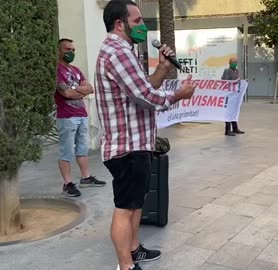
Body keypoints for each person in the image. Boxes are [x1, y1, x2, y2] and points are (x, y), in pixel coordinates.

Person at [95, 1, 196, 270]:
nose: (143, 26)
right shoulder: (118, 52)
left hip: (136, 143)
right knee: (125, 208)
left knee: (136, 205)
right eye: (137, 21)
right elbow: (146, 96)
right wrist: (178, 96)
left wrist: (163, 68)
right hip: (126, 147)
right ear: (120, 24)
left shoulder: (124, 51)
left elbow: (143, 86)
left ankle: (134, 248)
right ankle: (126, 266)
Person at [55, 38, 106, 197]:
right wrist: (78, 90)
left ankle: (86, 177)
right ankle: (68, 183)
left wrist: (75, 88)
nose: (71, 52)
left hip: (82, 115)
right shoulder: (56, 70)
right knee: (66, 151)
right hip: (66, 117)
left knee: (83, 149)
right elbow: (66, 93)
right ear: (59, 50)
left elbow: (90, 88)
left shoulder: (76, 70)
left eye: (73, 50)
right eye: (67, 49)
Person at [222, 57, 245, 136]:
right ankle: (227, 130)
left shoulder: (237, 71)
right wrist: (235, 81)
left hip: (235, 95)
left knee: (234, 111)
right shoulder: (227, 71)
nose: (235, 63)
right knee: (228, 112)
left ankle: (235, 128)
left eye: (235, 62)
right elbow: (225, 81)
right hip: (229, 95)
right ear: (230, 63)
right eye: (233, 62)